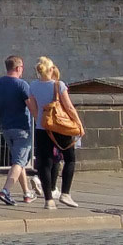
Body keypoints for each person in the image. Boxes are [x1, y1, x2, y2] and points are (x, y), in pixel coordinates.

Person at [0, 53, 38, 207]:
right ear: (18, 68)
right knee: (19, 162)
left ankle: (27, 193)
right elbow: (31, 107)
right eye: (22, 67)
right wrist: (41, 122)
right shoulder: (22, 85)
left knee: (18, 161)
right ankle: (5, 191)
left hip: (6, 128)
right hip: (22, 129)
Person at [29, 55, 83, 208]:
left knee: (45, 163)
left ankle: (48, 200)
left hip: (42, 128)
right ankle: (65, 194)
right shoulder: (59, 85)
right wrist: (79, 124)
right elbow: (69, 107)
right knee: (70, 159)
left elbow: (33, 108)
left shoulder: (33, 85)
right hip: (60, 128)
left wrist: (41, 120)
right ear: (51, 69)